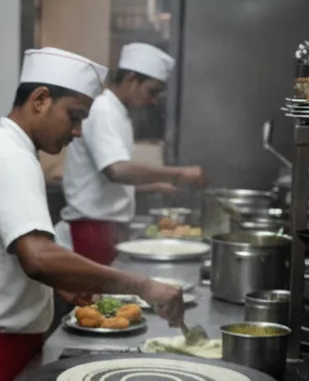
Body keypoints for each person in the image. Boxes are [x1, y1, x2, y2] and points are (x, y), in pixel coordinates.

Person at [0, 47, 186, 381]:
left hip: (6, 337)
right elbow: (37, 257)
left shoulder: (12, 150)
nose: (76, 132)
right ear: (40, 99)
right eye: (74, 117)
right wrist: (144, 285)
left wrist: (62, 285)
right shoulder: (8, 157)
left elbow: (12, 254)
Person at [62, 43, 204, 265]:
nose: (153, 100)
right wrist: (178, 173)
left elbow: (106, 183)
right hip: (92, 229)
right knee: (96, 298)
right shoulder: (103, 110)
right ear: (130, 79)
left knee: (112, 297)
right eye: (152, 91)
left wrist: (154, 186)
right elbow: (117, 171)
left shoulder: (119, 114)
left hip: (107, 228)